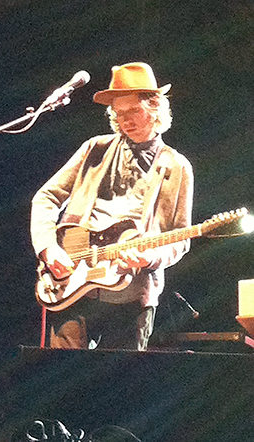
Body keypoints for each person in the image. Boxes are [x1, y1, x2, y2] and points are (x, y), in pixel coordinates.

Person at [31, 62, 194, 351]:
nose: (124, 121)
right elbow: (46, 197)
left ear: (155, 109)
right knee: (62, 381)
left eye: (133, 111)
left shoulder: (176, 166)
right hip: (72, 285)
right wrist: (48, 247)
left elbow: (180, 238)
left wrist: (150, 257)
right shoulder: (95, 149)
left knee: (119, 388)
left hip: (130, 295)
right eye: (118, 114)